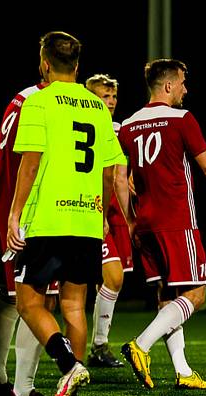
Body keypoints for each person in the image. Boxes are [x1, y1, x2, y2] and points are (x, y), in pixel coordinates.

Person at [6, 31, 126, 396]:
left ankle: (68, 366)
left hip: (49, 218)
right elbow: (109, 171)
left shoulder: (39, 102)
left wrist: (14, 212)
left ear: (44, 63)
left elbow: (31, 161)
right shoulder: (97, 107)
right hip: (87, 218)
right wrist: (102, 213)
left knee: (29, 303)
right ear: (77, 65)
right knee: (74, 305)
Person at [119, 59, 206, 390]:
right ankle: (141, 344)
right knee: (196, 294)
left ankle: (182, 371)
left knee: (169, 296)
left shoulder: (129, 124)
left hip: (145, 223)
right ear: (167, 86)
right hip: (177, 222)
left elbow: (120, 179)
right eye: (181, 83)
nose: (185, 89)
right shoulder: (181, 119)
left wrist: (130, 222)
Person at [0, 81, 59, 396]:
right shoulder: (45, 102)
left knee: (10, 296)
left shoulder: (19, 98)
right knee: (38, 299)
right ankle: (23, 389)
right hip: (28, 212)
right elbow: (33, 159)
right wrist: (17, 211)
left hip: (5, 208)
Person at [84, 74, 130, 368]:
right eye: (104, 97)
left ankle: (97, 345)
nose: (110, 103)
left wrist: (129, 218)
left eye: (113, 97)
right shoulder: (84, 126)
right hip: (86, 209)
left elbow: (121, 177)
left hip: (111, 215)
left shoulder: (117, 129)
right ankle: (92, 345)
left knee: (112, 278)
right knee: (106, 277)